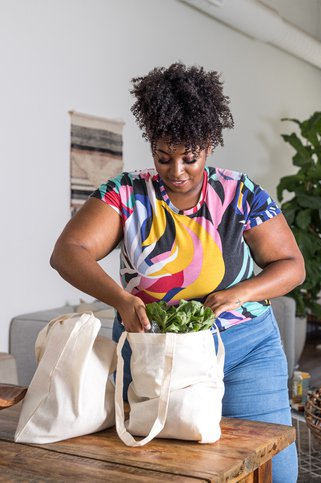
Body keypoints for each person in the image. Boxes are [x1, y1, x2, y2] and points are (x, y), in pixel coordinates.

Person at [50, 62, 305, 482]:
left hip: (245, 349)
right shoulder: (125, 194)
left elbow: (292, 266)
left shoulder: (241, 193)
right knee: (162, 470)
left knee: (273, 471)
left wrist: (237, 295)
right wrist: (121, 299)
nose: (176, 171)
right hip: (154, 352)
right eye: (163, 157)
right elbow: (67, 252)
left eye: (190, 158)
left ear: (209, 144)